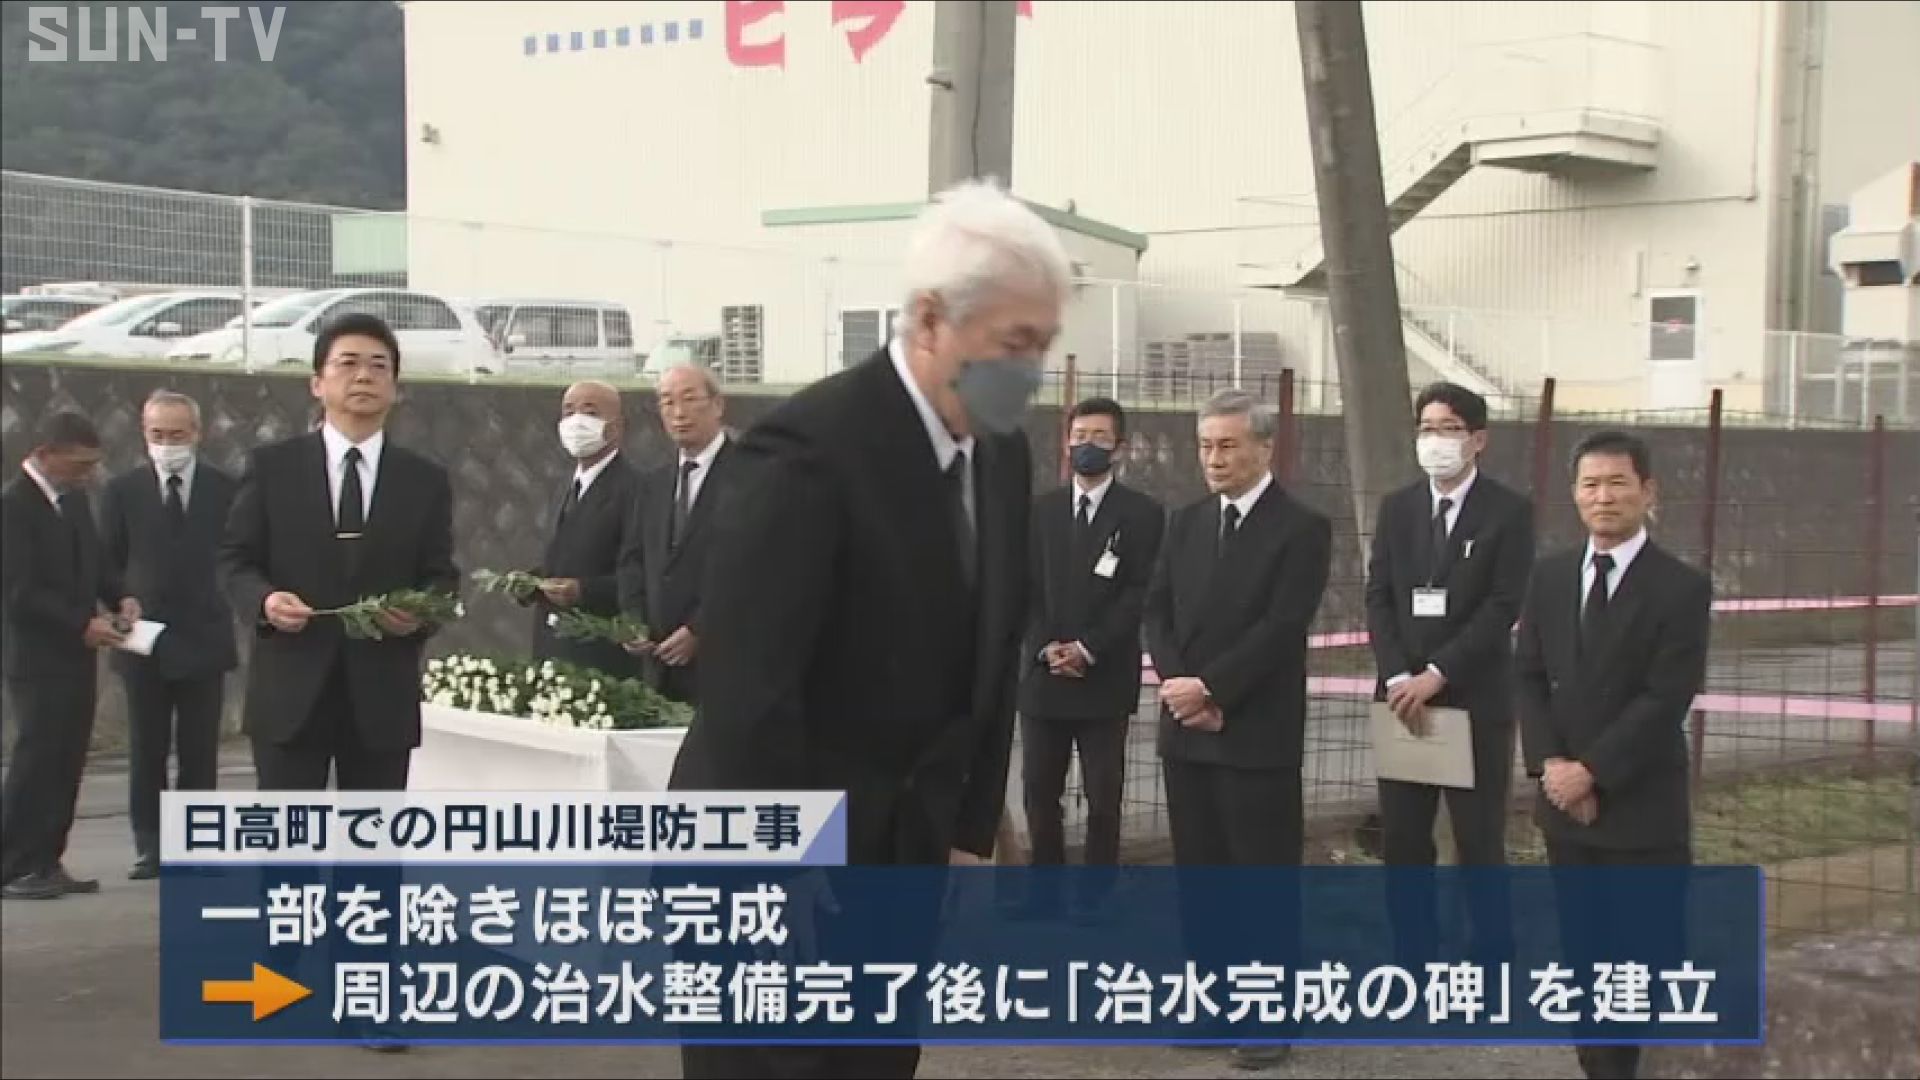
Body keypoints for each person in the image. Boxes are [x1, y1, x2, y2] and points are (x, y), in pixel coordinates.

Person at [667, 179, 1062, 1079]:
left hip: (903, 851)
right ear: (929, 320)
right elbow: (748, 687)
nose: (1031, 371)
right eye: (1014, 343)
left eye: (1043, 345)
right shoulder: (808, 450)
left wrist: (968, 828)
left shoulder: (999, 454)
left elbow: (989, 650)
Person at [1143, 387, 1331, 1070]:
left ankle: (1270, 1012)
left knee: (1261, 876)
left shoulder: (1301, 528)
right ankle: (1212, 1001)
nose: (1214, 458)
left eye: (1227, 445)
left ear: (1263, 447)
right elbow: (1157, 610)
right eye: (1205, 446)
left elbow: (1282, 625)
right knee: (1202, 873)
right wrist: (1179, 685)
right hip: (1186, 728)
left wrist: (1215, 688)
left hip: (1255, 730)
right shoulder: (1186, 522)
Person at [1516, 430, 1712, 1080]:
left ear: (1647, 492)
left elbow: (1664, 697)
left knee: (1643, 962)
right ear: (1574, 494)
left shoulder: (1681, 588)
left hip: (1641, 807)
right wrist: (1551, 766)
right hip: (1564, 809)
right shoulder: (1548, 577)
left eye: (1618, 483)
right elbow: (1528, 676)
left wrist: (1592, 772)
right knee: (1584, 957)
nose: (1603, 497)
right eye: (1590, 484)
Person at [220, 312, 460, 791]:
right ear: (317, 383)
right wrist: (265, 602)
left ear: (396, 389)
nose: (364, 376)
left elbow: (441, 575)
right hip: (289, 691)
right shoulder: (272, 468)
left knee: (372, 835)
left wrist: (419, 614)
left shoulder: (423, 480)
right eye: (348, 363)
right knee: (289, 834)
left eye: (378, 366)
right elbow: (235, 560)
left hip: (381, 696)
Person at [1364, 382, 1534, 960]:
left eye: (1449, 429)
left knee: (1478, 840)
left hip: (1471, 700)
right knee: (1403, 840)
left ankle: (1490, 958)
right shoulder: (1398, 508)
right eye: (1426, 429)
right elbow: (1379, 596)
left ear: (1477, 439)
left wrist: (1438, 672)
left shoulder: (1508, 512)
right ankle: (1412, 955)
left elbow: (1502, 605)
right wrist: (1397, 676)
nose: (1435, 440)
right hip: (1401, 702)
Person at [1017, 396, 1164, 901]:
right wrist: (1045, 647)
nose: (1087, 446)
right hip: (1044, 678)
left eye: (1100, 437)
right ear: (1066, 444)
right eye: (1079, 436)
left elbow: (1139, 592)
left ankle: (1097, 893)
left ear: (1119, 448)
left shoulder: (1142, 514)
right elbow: (1025, 589)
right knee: (1039, 792)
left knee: (1103, 795)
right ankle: (1045, 890)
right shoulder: (1041, 511)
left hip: (1104, 677)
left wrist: (1087, 647)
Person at [98, 390, 239, 880]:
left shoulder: (226, 490)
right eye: (157, 434)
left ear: (197, 433)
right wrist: (119, 606)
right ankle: (151, 845)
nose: (167, 444)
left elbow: (239, 558)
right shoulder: (123, 491)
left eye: (177, 434)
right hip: (143, 639)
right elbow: (108, 562)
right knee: (147, 748)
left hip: (204, 635)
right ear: (144, 433)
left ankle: (197, 844)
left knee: (200, 750)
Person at [1, 411, 139, 900]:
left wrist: (120, 597)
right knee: (37, 759)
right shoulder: (14, 506)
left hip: (79, 656)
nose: (88, 473)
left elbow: (95, 564)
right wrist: (81, 623)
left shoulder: (75, 501)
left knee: (67, 759)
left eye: (93, 464)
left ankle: (47, 857)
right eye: (79, 464)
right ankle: (14, 863)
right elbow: (20, 592)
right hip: (37, 658)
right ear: (45, 454)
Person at [617, 363, 737, 705]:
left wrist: (701, 629)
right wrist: (633, 620)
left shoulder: (749, 475)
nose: (679, 413)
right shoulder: (654, 483)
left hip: (724, 665)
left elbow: (757, 567)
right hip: (659, 666)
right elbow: (633, 560)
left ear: (717, 404)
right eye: (667, 402)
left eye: (689, 399)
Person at [528, 380, 641, 680]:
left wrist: (583, 590)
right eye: (569, 412)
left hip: (600, 657)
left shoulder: (635, 490)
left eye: (590, 412)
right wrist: (531, 583)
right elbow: (562, 558)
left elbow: (639, 575)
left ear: (617, 426)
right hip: (550, 651)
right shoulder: (563, 486)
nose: (576, 421)